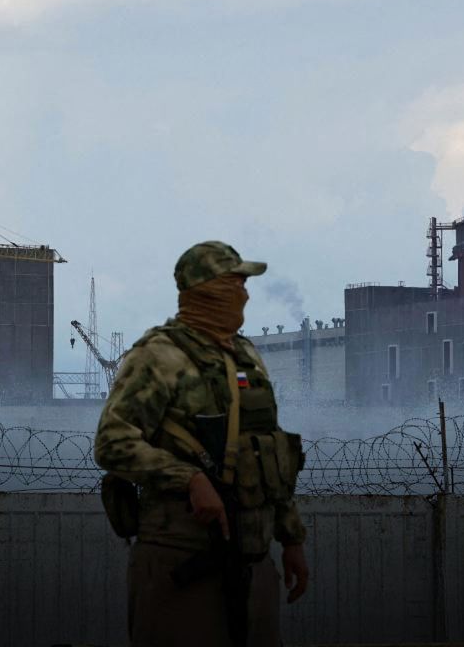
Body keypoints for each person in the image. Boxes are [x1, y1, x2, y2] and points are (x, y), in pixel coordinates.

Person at [94, 241, 309, 647]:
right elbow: (112, 441)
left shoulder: (246, 355)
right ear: (205, 289)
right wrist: (188, 478)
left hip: (253, 558)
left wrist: (291, 539)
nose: (245, 293)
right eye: (236, 282)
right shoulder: (158, 356)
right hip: (182, 556)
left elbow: (268, 451)